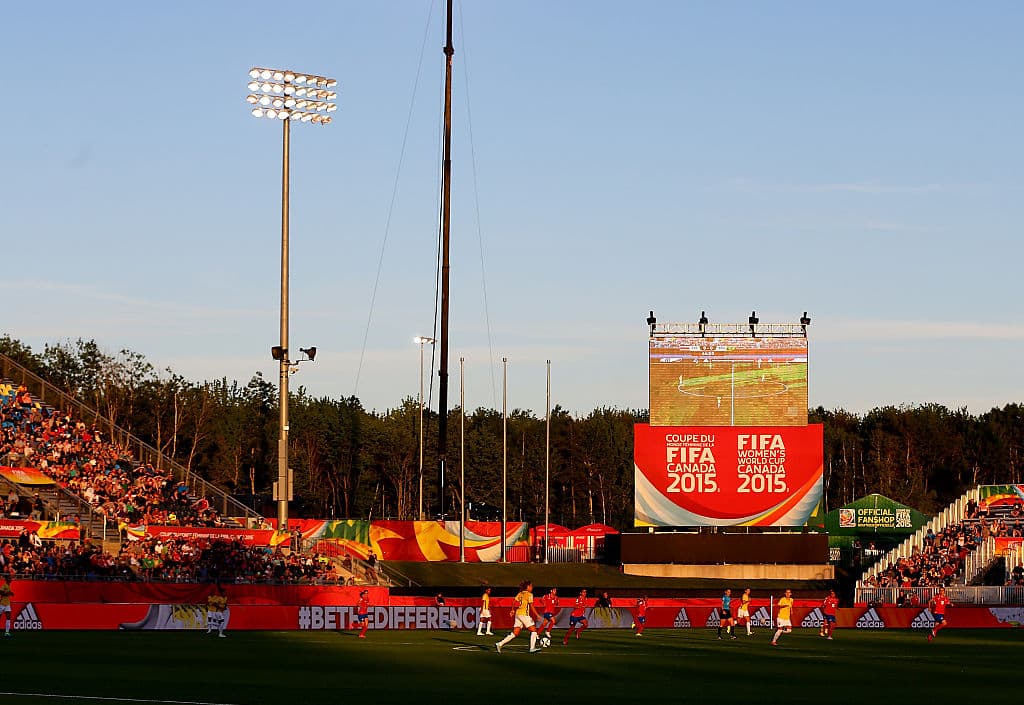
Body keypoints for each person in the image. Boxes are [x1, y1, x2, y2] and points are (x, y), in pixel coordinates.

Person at [496, 580, 543, 654]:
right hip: (524, 615)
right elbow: (531, 606)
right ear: (527, 587)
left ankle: (500, 644)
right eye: (531, 586)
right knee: (534, 631)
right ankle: (532, 648)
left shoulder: (520, 593)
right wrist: (537, 615)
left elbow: (514, 601)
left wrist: (512, 610)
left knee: (515, 633)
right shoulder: (529, 594)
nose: (532, 587)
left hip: (518, 614)